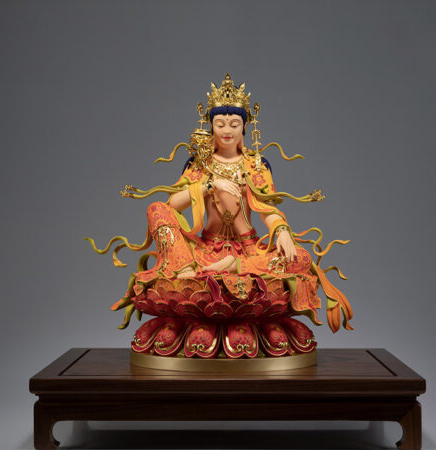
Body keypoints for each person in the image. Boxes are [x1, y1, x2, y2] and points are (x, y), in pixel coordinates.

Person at [86, 74, 353, 338]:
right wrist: (209, 185)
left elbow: (268, 209)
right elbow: (172, 204)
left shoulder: (256, 166)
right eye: (220, 123)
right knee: (155, 208)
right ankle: (185, 270)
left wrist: (281, 229)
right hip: (204, 253)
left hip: (248, 251)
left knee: (302, 260)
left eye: (234, 124)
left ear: (244, 127)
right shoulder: (200, 164)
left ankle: (235, 266)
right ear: (210, 126)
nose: (227, 130)